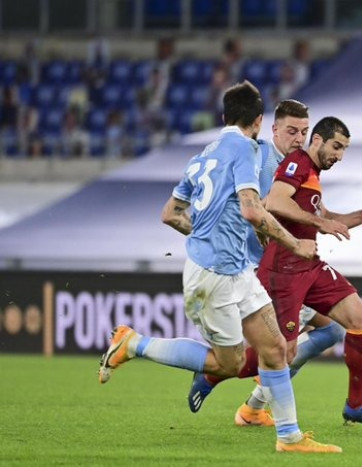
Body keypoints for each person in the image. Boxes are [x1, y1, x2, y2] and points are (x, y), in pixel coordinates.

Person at [98, 81, 341, 454]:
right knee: (227, 364)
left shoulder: (204, 155)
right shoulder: (246, 149)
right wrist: (294, 244)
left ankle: (289, 438)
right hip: (214, 275)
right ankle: (134, 344)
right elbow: (252, 209)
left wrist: (208, 235)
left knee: (275, 347)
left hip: (236, 269)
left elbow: (170, 214)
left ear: (225, 116)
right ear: (258, 122)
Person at [258, 116, 362, 424]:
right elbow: (275, 202)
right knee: (280, 353)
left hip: (309, 265)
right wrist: (320, 223)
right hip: (284, 269)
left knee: (360, 320)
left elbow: (325, 217)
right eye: (337, 147)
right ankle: (213, 373)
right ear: (317, 140)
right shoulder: (297, 162)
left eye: (344, 150)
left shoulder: (312, 173)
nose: (339, 156)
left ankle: (355, 405)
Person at [232, 99, 346, 427]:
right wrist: (280, 235)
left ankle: (253, 407)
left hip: (288, 267)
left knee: (329, 331)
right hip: (264, 270)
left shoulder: (303, 167)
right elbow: (263, 206)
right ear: (274, 130)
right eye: (292, 131)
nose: (299, 138)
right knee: (267, 353)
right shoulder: (261, 158)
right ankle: (209, 377)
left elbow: (319, 214)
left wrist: (361, 216)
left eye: (304, 132)